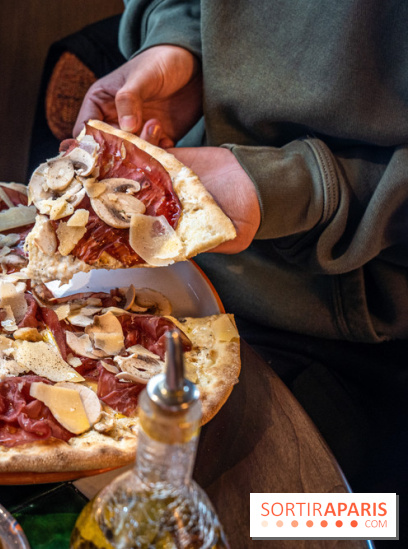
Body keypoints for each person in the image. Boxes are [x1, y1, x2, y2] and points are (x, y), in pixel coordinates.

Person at [71, 0, 408, 495]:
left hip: (352, 338)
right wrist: (181, 44)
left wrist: (289, 189)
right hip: (176, 264)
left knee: (281, 529)